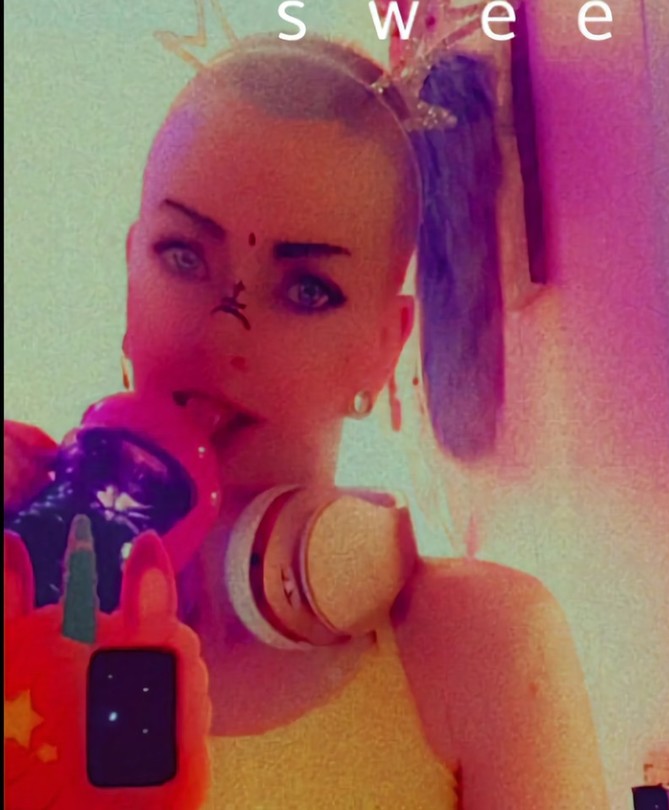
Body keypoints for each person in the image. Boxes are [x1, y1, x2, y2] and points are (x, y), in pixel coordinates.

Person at [3, 33, 606, 808]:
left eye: (307, 289)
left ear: (383, 346)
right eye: (183, 255)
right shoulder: (24, 630)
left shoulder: (486, 650)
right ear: (130, 269)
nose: (224, 333)